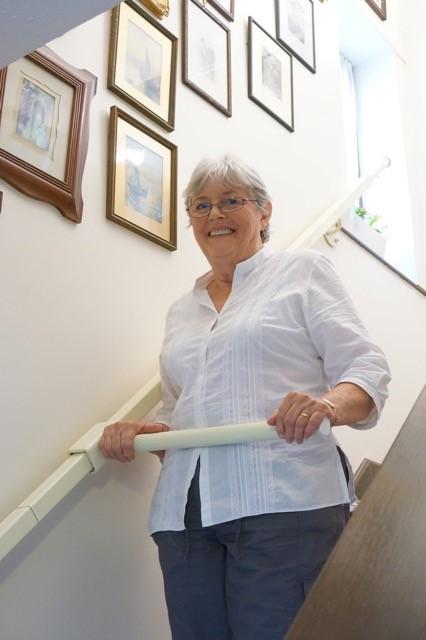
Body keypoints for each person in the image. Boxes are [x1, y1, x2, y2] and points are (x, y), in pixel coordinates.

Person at [99, 155, 391, 640]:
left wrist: (327, 404)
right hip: (184, 518)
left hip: (284, 504)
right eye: (201, 205)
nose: (214, 214)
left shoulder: (303, 272)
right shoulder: (180, 311)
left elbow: (367, 368)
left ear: (265, 212)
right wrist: (148, 433)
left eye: (231, 201)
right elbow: (178, 409)